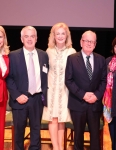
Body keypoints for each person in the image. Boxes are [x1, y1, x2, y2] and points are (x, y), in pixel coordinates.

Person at [6, 26, 48, 150]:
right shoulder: (13, 56)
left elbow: (45, 76)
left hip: (37, 100)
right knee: (19, 133)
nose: (29, 39)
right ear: (21, 39)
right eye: (26, 36)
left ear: (36, 38)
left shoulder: (43, 55)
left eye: (32, 36)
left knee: (36, 131)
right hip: (19, 99)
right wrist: (17, 95)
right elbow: (9, 78)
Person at [65, 30, 106, 150]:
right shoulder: (72, 59)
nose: (89, 43)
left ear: (95, 44)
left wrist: (96, 96)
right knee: (78, 136)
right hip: (78, 103)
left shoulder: (101, 59)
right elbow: (69, 80)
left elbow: (104, 80)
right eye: (87, 41)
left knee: (95, 136)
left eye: (92, 41)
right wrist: (83, 95)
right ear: (81, 42)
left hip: (95, 104)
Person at [42, 22, 76, 150]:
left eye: (63, 33)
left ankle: (60, 147)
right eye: (58, 34)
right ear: (53, 36)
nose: (60, 36)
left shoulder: (72, 51)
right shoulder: (48, 51)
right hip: (51, 89)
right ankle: (56, 147)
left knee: (62, 119)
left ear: (67, 36)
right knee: (53, 119)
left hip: (65, 90)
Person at [0, 25, 9, 150]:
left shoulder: (6, 56)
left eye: (0, 37)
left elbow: (4, 73)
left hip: (1, 95)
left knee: (0, 127)